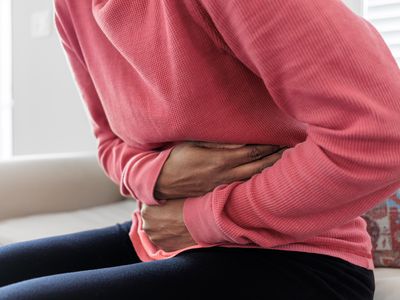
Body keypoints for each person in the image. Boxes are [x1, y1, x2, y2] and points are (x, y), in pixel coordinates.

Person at [1, 0, 399, 298]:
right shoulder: (72, 7)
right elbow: (108, 143)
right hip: (160, 234)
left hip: (298, 258)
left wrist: (200, 218)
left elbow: (381, 134)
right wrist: (158, 175)